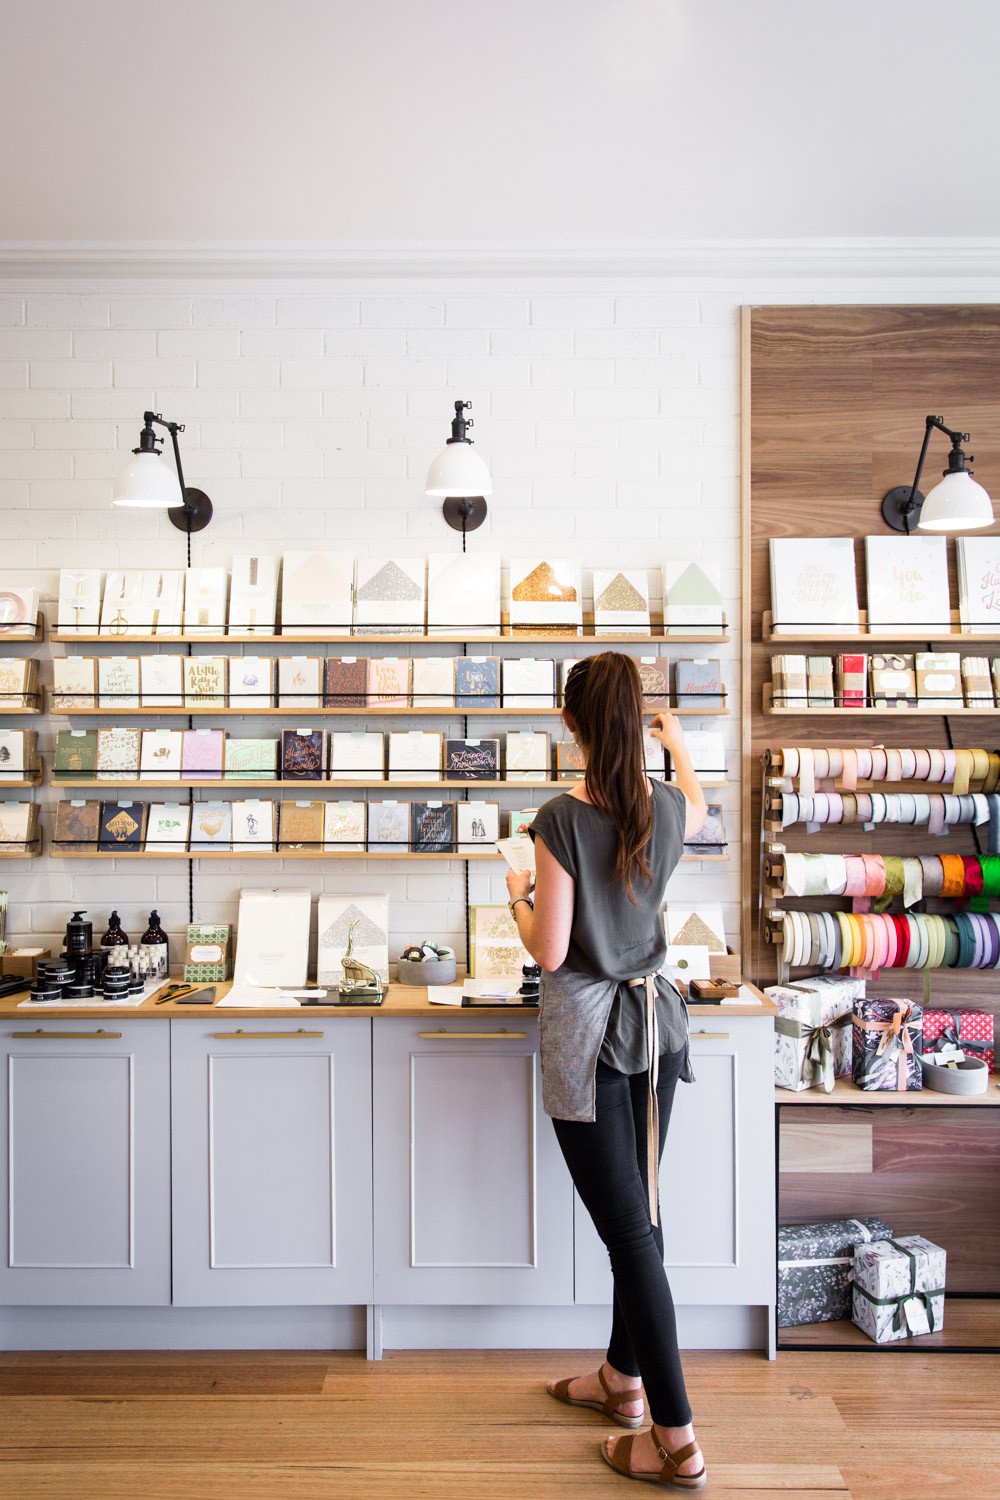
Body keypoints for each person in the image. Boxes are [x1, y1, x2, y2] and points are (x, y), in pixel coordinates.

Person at [505, 651, 709, 1490]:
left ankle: (678, 1438)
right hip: (655, 1028)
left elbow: (550, 951)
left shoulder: (558, 818)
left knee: (631, 1235)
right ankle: (621, 1383)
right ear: (636, 722)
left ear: (571, 725)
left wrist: (518, 892)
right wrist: (679, 743)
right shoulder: (663, 806)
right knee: (644, 1223)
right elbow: (697, 807)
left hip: (590, 1039)